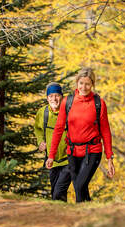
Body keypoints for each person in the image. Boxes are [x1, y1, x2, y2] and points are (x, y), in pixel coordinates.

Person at [46, 67, 115, 203]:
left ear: (92, 84)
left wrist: (109, 158)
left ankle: (80, 217)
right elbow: (59, 129)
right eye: (81, 83)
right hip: (72, 152)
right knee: (81, 191)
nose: (84, 87)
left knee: (79, 186)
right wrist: (51, 155)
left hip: (92, 151)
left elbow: (106, 131)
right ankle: (89, 214)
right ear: (77, 83)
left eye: (88, 84)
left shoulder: (99, 103)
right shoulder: (67, 102)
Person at [34, 82, 71, 201]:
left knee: (58, 192)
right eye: (50, 96)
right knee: (55, 192)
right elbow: (38, 129)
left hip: (68, 160)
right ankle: (62, 216)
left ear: (62, 96)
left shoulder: (69, 111)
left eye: (56, 95)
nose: (54, 99)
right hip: (51, 160)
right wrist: (40, 142)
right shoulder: (42, 113)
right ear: (47, 98)